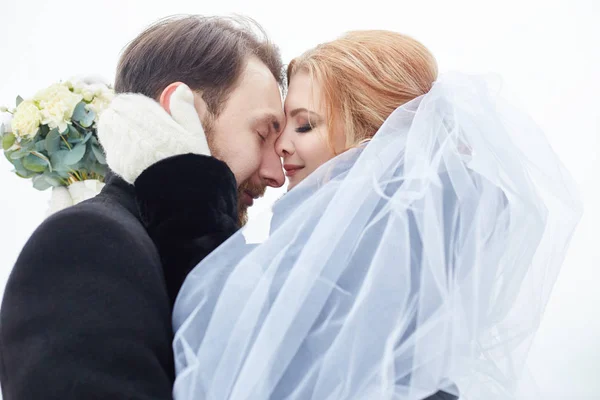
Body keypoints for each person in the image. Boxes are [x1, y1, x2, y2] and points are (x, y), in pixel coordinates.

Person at [105, 31, 580, 399]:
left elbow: (223, 340)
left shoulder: (361, 257)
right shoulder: (411, 246)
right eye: (279, 126)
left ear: (373, 134)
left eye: (305, 124)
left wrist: (177, 175)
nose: (282, 146)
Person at [0, 15, 287, 399]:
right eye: (263, 134)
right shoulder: (83, 244)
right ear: (182, 110)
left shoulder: (184, 250)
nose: (276, 174)